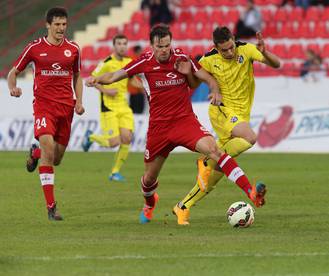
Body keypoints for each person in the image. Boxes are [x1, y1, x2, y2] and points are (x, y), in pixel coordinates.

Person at [85, 24, 266, 224]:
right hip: (159, 128)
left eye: (167, 45)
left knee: (215, 150)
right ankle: (150, 203)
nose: (164, 50)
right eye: (160, 46)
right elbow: (114, 75)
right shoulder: (143, 62)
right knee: (148, 179)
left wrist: (215, 90)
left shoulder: (181, 58)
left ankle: (250, 191)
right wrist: (96, 79)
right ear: (152, 46)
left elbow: (208, 78)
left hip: (184, 121)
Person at [174, 26, 280, 225]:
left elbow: (277, 64)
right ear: (216, 47)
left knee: (215, 174)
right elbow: (194, 83)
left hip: (240, 116)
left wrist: (265, 52)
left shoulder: (247, 50)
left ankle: (183, 206)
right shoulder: (208, 60)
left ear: (234, 40)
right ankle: (206, 160)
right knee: (250, 138)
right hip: (221, 110)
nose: (230, 52)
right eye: (224, 50)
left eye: (231, 47)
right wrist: (190, 73)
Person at [7, 7, 84, 221]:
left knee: (55, 158)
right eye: (57, 24)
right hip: (43, 106)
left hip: (66, 109)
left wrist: (79, 102)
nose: (61, 28)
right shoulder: (34, 48)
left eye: (64, 24)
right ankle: (51, 207)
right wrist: (12, 87)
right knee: (49, 147)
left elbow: (78, 76)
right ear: (48, 25)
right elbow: (14, 72)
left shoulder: (74, 49)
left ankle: (36, 154)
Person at [81, 34, 135, 182]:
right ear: (114, 46)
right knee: (113, 143)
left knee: (127, 138)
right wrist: (106, 90)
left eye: (125, 43)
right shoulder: (106, 62)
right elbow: (89, 80)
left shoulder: (129, 62)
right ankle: (90, 136)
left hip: (124, 107)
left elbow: (134, 81)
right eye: (119, 43)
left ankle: (115, 172)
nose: (122, 46)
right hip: (109, 107)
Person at [128, 45, 146, 114]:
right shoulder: (137, 61)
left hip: (134, 90)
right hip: (137, 90)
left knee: (133, 111)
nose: (141, 53)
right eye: (141, 51)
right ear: (137, 51)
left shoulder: (132, 60)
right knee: (138, 111)